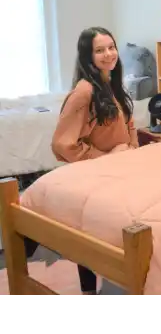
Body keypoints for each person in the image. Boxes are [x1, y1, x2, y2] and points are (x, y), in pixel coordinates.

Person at [24, 26, 139, 297]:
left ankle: (106, 285)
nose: (109, 54)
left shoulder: (111, 84)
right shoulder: (84, 91)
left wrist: (132, 150)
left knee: (108, 230)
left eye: (111, 47)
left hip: (120, 172)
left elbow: (128, 124)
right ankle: (88, 292)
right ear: (88, 56)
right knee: (89, 232)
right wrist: (105, 159)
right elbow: (62, 144)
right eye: (100, 50)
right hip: (96, 175)